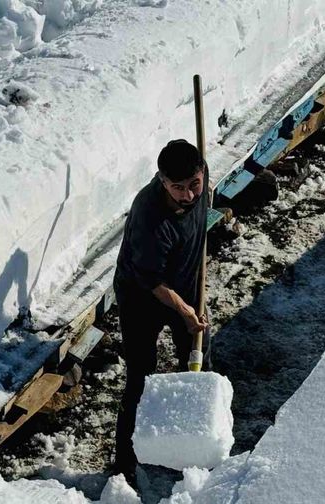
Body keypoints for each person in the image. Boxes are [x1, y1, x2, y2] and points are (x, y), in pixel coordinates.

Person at [111, 138, 212, 484]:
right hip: (142, 295)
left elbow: (199, 213)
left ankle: (198, 448)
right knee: (141, 374)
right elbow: (152, 281)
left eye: (195, 185)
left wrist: (192, 301)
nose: (188, 195)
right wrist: (185, 309)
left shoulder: (202, 177)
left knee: (199, 361)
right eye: (178, 188)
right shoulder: (149, 219)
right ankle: (124, 463)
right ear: (161, 181)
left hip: (185, 283)